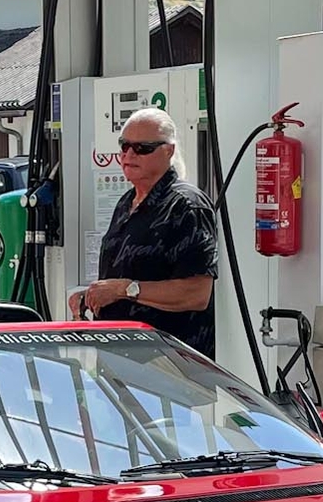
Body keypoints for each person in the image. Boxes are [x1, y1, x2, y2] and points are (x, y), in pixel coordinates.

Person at [68, 107, 219, 359]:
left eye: (142, 148)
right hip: (122, 362)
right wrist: (92, 297)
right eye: (124, 146)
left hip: (170, 367)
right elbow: (122, 281)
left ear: (168, 151)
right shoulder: (126, 202)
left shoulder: (186, 205)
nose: (129, 154)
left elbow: (196, 294)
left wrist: (124, 290)